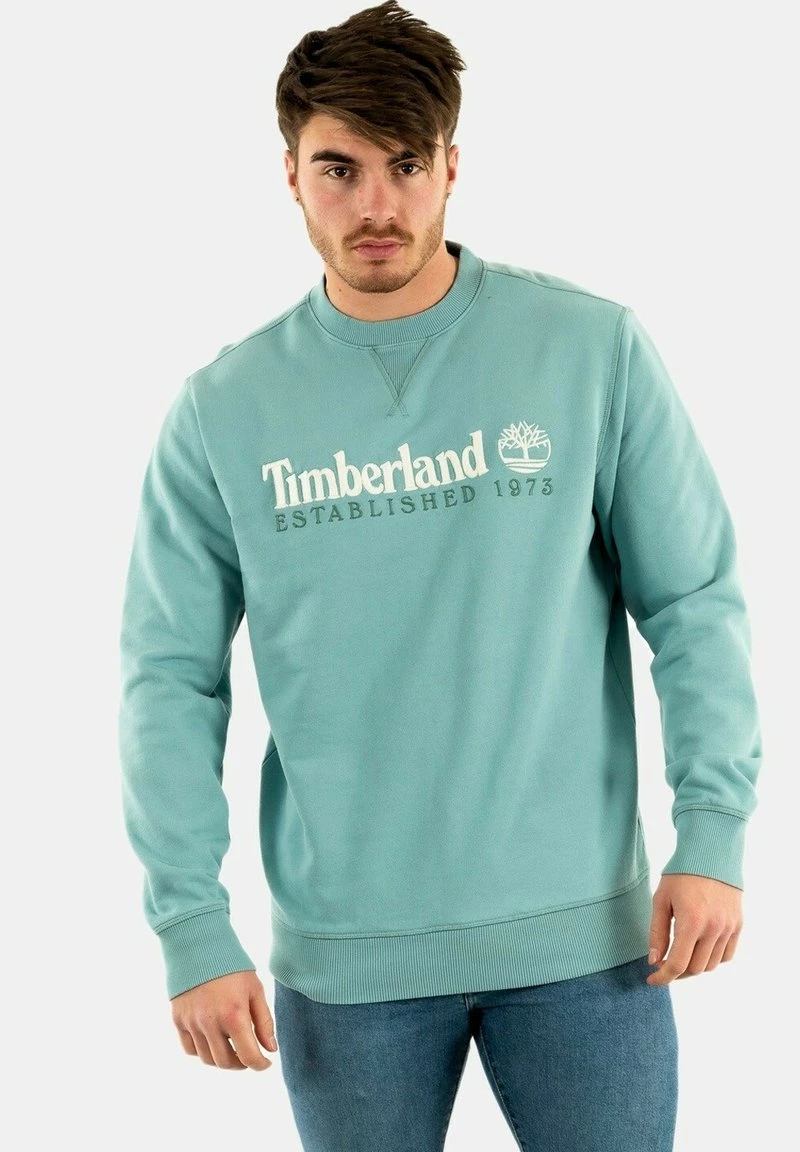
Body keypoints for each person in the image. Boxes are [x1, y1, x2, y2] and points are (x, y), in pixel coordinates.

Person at [117, 2, 762, 1148]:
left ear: (451, 166)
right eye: (339, 168)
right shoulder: (223, 409)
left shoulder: (587, 348)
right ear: (289, 175)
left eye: (405, 165)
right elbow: (168, 678)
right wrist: (189, 923)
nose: (376, 204)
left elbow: (692, 602)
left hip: (583, 947)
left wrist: (710, 830)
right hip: (346, 966)